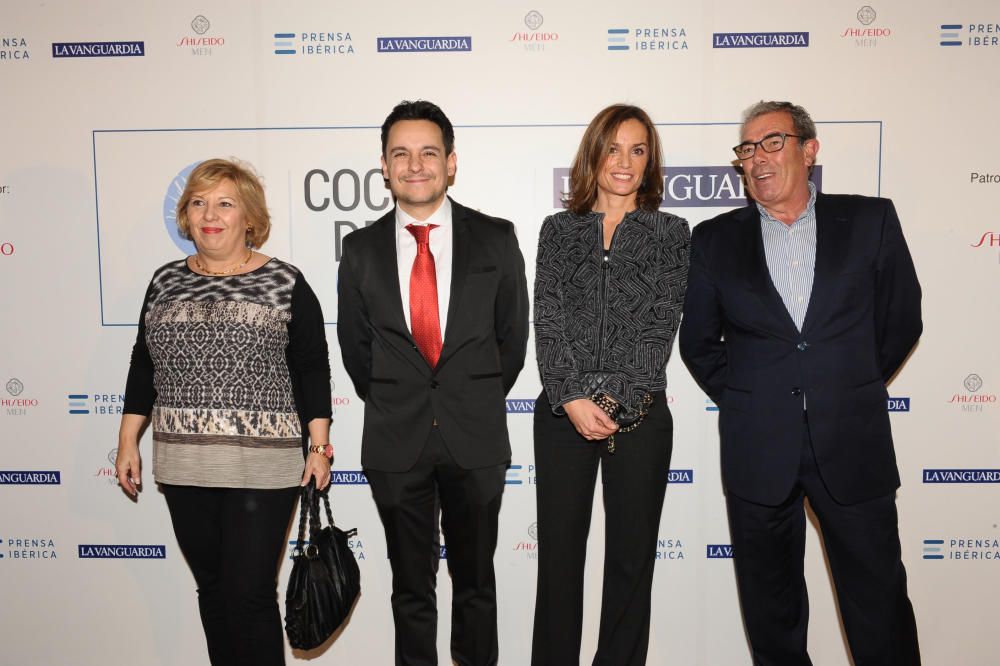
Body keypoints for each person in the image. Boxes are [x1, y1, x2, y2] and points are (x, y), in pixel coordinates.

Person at [680, 101, 922, 665]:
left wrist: (849, 383)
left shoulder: (870, 220)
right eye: (746, 149)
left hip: (852, 441)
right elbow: (699, 343)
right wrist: (752, 401)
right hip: (758, 449)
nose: (756, 158)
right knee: (772, 615)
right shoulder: (713, 240)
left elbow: (902, 318)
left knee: (878, 603)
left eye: (771, 143)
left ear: (809, 151)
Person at [116, 158, 332, 666]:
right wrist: (128, 440)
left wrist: (319, 446)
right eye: (199, 203)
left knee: (249, 593)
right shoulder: (164, 281)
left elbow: (312, 369)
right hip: (184, 465)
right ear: (186, 218)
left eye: (224, 203)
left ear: (248, 218)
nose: (210, 214)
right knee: (213, 591)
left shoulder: (285, 282)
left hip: (262, 468)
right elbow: (143, 365)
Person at [337, 100, 529, 666]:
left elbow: (511, 340)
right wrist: (402, 401)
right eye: (401, 153)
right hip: (398, 442)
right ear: (384, 165)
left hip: (476, 438)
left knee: (476, 586)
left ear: (451, 163)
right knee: (410, 591)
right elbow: (356, 350)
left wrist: (470, 396)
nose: (414, 164)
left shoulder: (496, 238)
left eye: (428, 152)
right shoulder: (360, 249)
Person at [531, 104, 690, 666]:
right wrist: (572, 397)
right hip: (561, 416)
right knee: (559, 563)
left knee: (630, 562)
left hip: (641, 413)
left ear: (650, 162)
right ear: (593, 154)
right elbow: (547, 320)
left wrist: (614, 400)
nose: (624, 162)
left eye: (638, 150)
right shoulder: (559, 230)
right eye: (614, 148)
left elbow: (660, 323)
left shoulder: (671, 232)